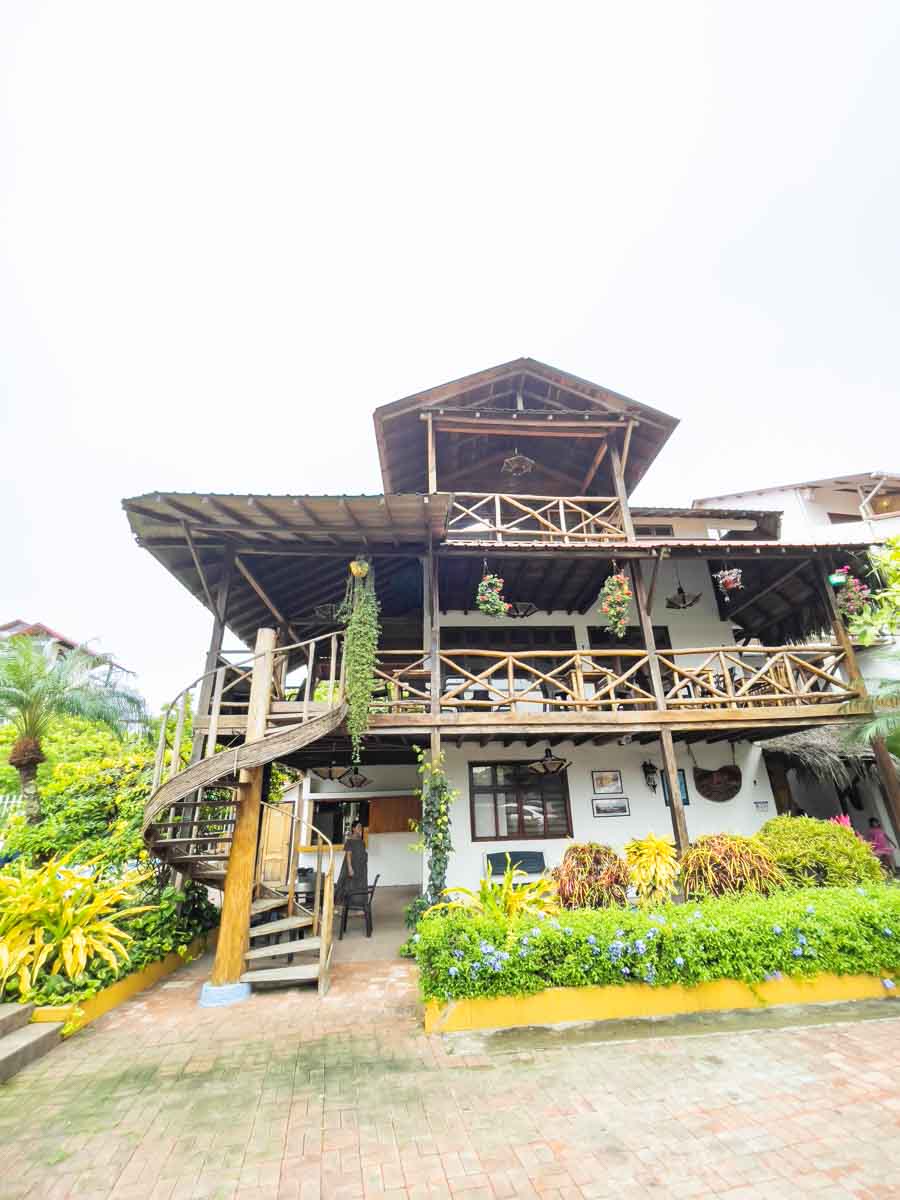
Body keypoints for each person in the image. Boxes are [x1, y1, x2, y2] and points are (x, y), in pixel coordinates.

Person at [335, 819, 367, 903]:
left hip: (360, 868)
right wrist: (350, 868)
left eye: (361, 827)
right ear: (353, 828)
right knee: (348, 884)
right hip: (351, 866)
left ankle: (358, 903)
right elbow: (348, 855)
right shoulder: (350, 840)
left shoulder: (361, 841)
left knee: (359, 886)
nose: (360, 828)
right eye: (358, 827)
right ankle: (344, 903)